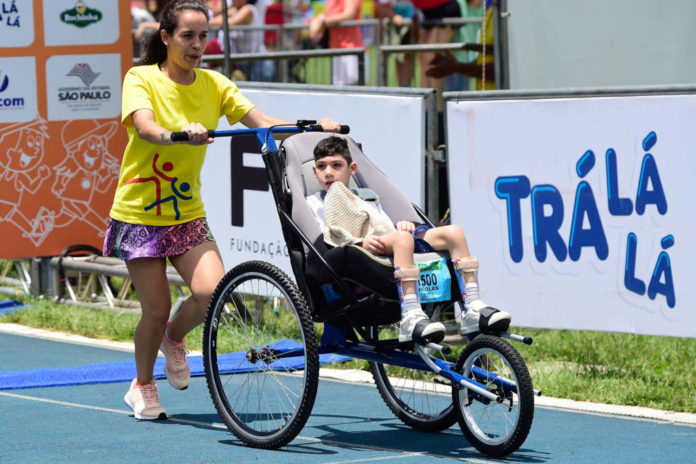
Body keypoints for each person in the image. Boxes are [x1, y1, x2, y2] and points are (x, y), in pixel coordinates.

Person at [105, 0, 341, 421]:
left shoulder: (214, 83)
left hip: (186, 213)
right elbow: (145, 127)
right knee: (155, 310)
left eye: (203, 36)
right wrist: (178, 135)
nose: (198, 45)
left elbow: (262, 121)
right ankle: (141, 385)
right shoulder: (139, 78)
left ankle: (173, 340)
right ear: (165, 37)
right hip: (139, 214)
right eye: (187, 37)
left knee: (212, 293)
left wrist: (310, 127)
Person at [306, 136, 511, 343]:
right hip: (354, 252)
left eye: (336, 165)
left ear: (352, 169)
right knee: (403, 240)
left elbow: (381, 225)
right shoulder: (314, 203)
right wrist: (359, 243)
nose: (329, 172)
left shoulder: (367, 196)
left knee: (454, 233)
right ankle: (411, 315)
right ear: (315, 172)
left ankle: (473, 307)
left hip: (388, 242)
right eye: (322, 167)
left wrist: (403, 226)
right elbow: (326, 237)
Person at [425, 0, 494, 90]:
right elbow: (493, 51)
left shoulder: (497, 10)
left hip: (464, 68)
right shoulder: (489, 9)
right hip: (461, 65)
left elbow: (500, 66)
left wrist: (457, 67)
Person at [207, 0, 275, 81]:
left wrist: (205, 22)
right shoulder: (234, 10)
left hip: (257, 62)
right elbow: (217, 12)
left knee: (259, 90)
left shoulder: (249, 9)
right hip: (243, 62)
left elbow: (229, 22)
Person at [308, 0, 365, 85]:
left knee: (353, 92)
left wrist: (322, 22)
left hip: (352, 50)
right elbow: (328, 13)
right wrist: (317, 21)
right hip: (337, 50)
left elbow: (349, 13)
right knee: (339, 93)